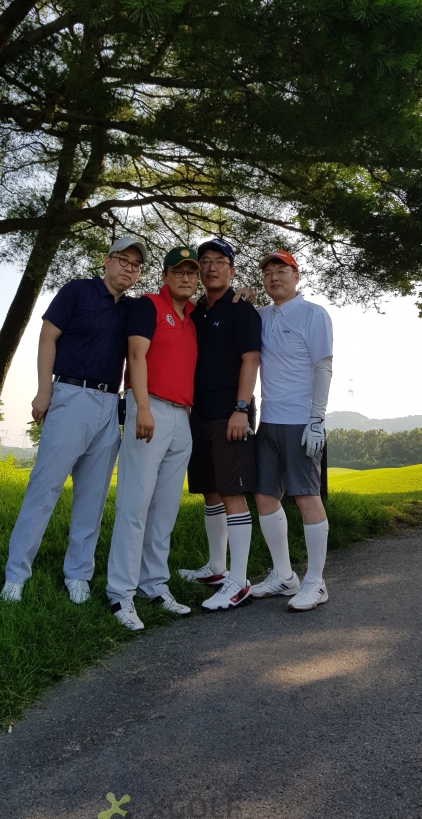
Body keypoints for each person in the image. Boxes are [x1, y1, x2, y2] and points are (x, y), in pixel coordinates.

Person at [0, 237, 148, 604]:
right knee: (44, 488)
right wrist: (43, 391)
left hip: (109, 404)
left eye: (136, 265)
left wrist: (239, 296)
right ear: (107, 261)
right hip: (70, 395)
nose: (129, 268)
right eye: (123, 259)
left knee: (92, 498)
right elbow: (47, 338)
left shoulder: (133, 309)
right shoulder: (77, 291)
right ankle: (16, 575)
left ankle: (78, 573)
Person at [106, 247, 200, 630]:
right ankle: (120, 594)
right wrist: (141, 407)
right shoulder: (148, 305)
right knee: (135, 505)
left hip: (182, 416)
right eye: (179, 271)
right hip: (151, 409)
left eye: (192, 273)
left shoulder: (192, 317)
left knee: (164, 510)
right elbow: (136, 356)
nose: (186, 278)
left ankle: (154, 585)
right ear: (165, 276)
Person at [178, 238, 262, 611]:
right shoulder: (194, 312)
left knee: (232, 493)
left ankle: (239, 582)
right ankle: (216, 568)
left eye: (219, 261)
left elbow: (251, 359)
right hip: (199, 414)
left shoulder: (242, 309)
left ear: (231, 269)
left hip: (231, 414)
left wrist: (241, 408)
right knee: (210, 491)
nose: (211, 267)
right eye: (205, 261)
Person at [250, 250, 334, 611]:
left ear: (296, 275)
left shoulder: (313, 314)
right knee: (265, 497)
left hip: (301, 421)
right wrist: (243, 298)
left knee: (306, 497)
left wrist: (317, 420)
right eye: (267, 272)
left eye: (281, 270)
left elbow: (323, 367)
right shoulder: (261, 315)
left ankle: (316, 581)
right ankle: (284, 576)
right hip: (268, 421)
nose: (273, 277)